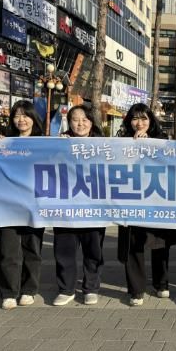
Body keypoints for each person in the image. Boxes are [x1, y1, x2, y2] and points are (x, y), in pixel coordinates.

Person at [116, 103, 174, 306]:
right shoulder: (119, 142)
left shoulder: (161, 140)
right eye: (135, 118)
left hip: (156, 199)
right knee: (133, 244)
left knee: (159, 243)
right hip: (130, 201)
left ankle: (161, 283)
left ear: (151, 121)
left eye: (144, 118)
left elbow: (169, 164)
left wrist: (148, 144)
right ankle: (136, 289)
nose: (139, 123)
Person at [52, 105, 106, 306]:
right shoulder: (59, 143)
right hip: (65, 208)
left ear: (91, 122)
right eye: (75, 119)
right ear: (69, 122)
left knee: (93, 251)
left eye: (85, 119)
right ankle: (66, 289)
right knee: (64, 250)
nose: (80, 124)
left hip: (94, 208)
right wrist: (57, 147)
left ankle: (91, 288)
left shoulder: (105, 145)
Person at [0, 101, 46, 310]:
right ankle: (8, 292)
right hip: (6, 205)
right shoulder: (4, 141)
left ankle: (29, 290)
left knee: (32, 249)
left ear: (34, 118)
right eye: (17, 116)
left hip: (34, 205)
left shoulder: (44, 143)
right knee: (8, 250)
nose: (21, 120)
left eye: (26, 115)